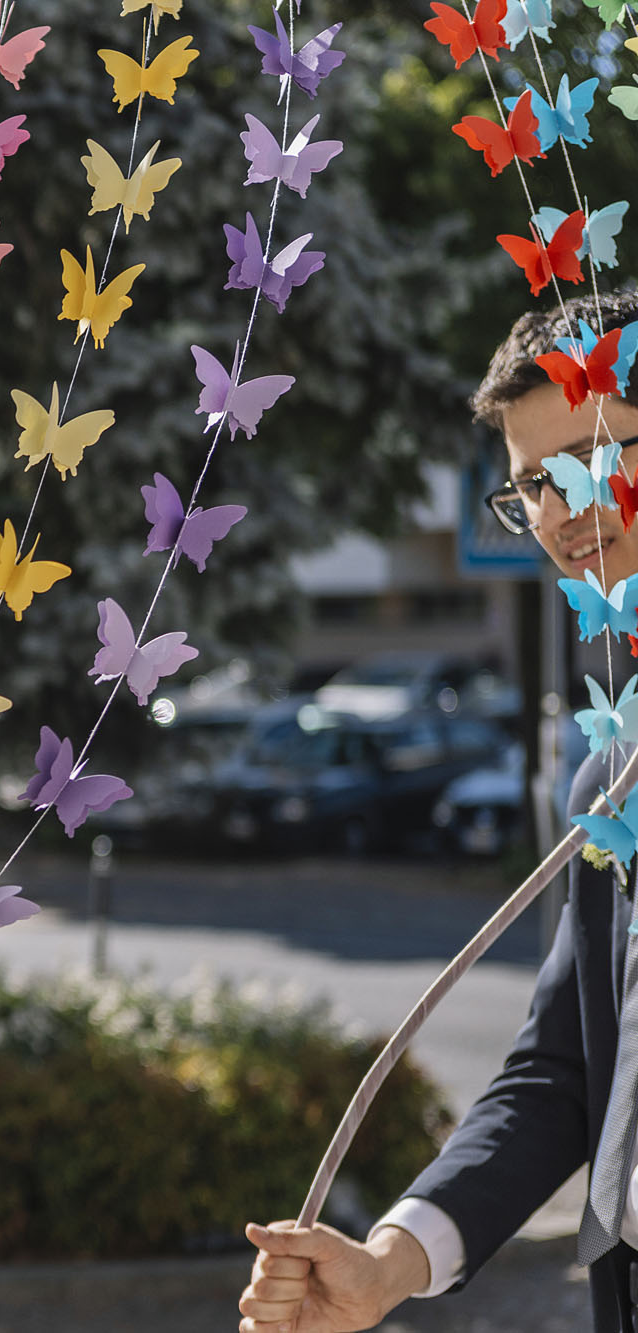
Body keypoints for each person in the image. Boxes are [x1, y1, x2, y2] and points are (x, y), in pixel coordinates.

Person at [240, 289, 638, 1333]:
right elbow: (564, 1071)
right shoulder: (604, 778)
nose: (563, 511)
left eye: (594, 455)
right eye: (529, 486)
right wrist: (388, 1260)